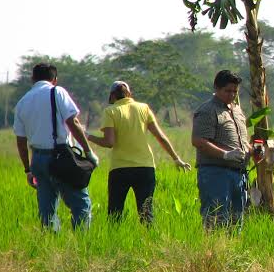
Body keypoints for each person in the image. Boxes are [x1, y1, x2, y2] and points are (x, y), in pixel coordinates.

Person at [87, 80, 191, 223]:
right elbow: (160, 136)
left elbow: (109, 143)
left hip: (120, 169)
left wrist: (89, 136)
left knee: (115, 214)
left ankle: (114, 242)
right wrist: (176, 158)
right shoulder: (144, 108)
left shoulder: (110, 111)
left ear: (112, 96)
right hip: (145, 167)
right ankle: (150, 242)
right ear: (129, 93)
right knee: (146, 213)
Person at [13, 63, 98, 230]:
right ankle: (81, 248)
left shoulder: (22, 102)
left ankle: (52, 248)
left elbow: (21, 141)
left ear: (32, 79)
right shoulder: (57, 92)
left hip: (37, 160)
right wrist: (88, 151)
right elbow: (72, 122)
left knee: (47, 211)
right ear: (54, 79)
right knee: (81, 205)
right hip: (60, 158)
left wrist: (27, 170)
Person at [191, 70, 250, 229]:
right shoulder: (208, 110)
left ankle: (231, 252)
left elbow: (243, 142)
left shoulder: (237, 110)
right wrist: (225, 154)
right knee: (216, 218)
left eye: (235, 91)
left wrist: (254, 152)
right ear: (217, 88)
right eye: (227, 91)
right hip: (215, 173)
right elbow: (198, 140)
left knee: (236, 219)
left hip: (238, 174)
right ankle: (213, 252)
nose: (231, 95)